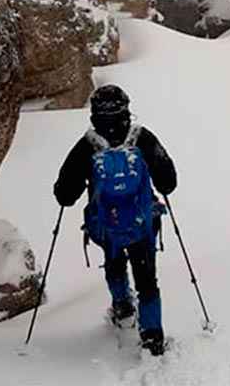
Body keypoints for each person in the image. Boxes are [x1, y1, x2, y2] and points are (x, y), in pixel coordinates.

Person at [54, 84, 177, 356]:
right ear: (126, 109)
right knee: (147, 279)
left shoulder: (88, 145)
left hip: (105, 226)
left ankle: (122, 307)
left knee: (114, 263)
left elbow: (64, 194)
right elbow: (168, 181)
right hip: (142, 224)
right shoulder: (142, 138)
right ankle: (153, 336)